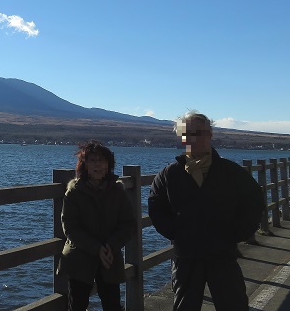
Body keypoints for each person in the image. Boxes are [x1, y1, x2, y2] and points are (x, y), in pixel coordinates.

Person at [148, 111, 264, 311]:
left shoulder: (231, 172)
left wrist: (235, 234)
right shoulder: (170, 174)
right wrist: (177, 233)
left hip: (222, 252)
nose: (193, 138)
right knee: (185, 306)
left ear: (210, 134)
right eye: (188, 133)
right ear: (182, 138)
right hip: (186, 255)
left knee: (233, 304)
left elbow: (253, 203)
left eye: (199, 132)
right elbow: (156, 207)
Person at [57, 140, 135, 311]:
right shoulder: (74, 192)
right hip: (80, 255)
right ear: (84, 165)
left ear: (109, 165)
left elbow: (128, 224)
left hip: (109, 256)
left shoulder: (117, 191)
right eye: (92, 160)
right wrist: (97, 248)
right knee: (77, 304)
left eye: (102, 160)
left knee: (112, 304)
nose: (97, 165)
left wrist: (110, 246)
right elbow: (70, 227)